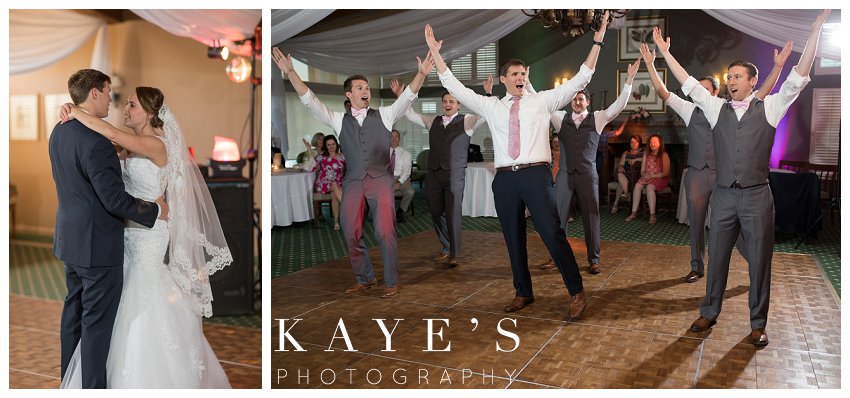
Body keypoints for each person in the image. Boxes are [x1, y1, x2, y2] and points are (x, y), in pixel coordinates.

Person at [656, 10, 829, 347]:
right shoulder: (713, 107)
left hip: (756, 198)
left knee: (759, 263)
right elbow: (687, 82)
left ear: (753, 81)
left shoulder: (770, 107)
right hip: (721, 197)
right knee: (717, 256)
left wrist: (815, 32)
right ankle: (709, 311)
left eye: (738, 76)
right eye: (729, 76)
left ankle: (757, 323)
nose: (732, 81)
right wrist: (664, 52)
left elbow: (800, 74)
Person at [424, 12, 610, 319]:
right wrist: (435, 52)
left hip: (536, 176)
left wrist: (599, 39)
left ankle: (576, 291)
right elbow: (456, 88)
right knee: (513, 238)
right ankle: (523, 291)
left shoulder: (543, 101)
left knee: (553, 234)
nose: (520, 77)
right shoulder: (492, 106)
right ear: (503, 80)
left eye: (523, 73)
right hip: (505, 181)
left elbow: (583, 76)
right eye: (514, 74)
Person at [58, 86, 233, 387]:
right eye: (125, 104)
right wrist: (74, 112)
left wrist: (75, 110)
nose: (125, 109)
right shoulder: (131, 147)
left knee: (142, 298)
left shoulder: (156, 144)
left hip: (150, 233)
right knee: (118, 299)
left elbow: (112, 135)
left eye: (132, 105)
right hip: (126, 234)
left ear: (150, 113)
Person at [273, 46, 432, 298]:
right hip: (353, 182)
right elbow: (310, 100)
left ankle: (391, 280)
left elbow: (409, 96)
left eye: (367, 88)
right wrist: (291, 72)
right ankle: (365, 277)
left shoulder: (386, 114)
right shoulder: (338, 120)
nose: (366, 90)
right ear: (349, 94)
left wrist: (421, 74)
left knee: (385, 231)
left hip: (380, 180)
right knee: (350, 229)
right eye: (360, 88)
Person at [49, 69, 167, 389]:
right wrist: (155, 211)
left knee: (73, 316)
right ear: (96, 93)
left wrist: (71, 110)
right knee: (97, 325)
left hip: (71, 241)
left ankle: (69, 383)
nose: (114, 102)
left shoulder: (60, 130)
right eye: (110, 93)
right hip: (98, 246)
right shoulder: (97, 141)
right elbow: (114, 200)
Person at [639, 41, 787, 282]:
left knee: (735, 228)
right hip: (697, 174)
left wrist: (777, 69)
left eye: (705, 88)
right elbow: (664, 93)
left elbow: (761, 94)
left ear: (715, 92)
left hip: (723, 176)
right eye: (698, 88)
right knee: (696, 224)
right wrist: (651, 65)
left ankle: (757, 267)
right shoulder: (690, 110)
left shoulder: (730, 109)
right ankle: (697, 266)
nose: (699, 91)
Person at [533, 58, 640, 274]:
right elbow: (539, 101)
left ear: (587, 102)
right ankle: (556, 258)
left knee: (591, 218)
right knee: (558, 218)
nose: (577, 102)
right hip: (564, 174)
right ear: (570, 102)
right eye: (574, 99)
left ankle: (594, 259)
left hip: (587, 174)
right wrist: (526, 83)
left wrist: (629, 80)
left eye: (581, 99)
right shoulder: (560, 118)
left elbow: (619, 106)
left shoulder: (598, 118)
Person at [389, 76, 490, 266]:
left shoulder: (467, 121)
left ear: (459, 105)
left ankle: (454, 252)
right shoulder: (432, 120)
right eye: (445, 101)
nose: (447, 104)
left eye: (452, 101)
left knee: (453, 213)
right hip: (434, 174)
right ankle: (446, 245)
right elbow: (410, 114)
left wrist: (487, 94)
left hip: (454, 175)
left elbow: (485, 114)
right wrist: (400, 96)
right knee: (435, 212)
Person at [625, 134, 671, 225]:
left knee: (649, 187)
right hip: (647, 177)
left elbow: (666, 173)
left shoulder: (664, 155)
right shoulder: (646, 154)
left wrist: (652, 176)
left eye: (654, 142)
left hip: (660, 177)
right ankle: (633, 213)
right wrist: (644, 175)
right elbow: (642, 170)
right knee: (637, 185)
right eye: (650, 142)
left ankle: (652, 215)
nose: (652, 144)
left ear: (660, 143)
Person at [303, 135, 345, 230]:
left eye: (333, 144)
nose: (331, 146)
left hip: (338, 183)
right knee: (334, 186)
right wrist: (309, 150)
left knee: (334, 194)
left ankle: (336, 222)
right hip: (323, 183)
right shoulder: (322, 156)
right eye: (328, 145)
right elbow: (311, 167)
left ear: (336, 144)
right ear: (325, 146)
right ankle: (348, 209)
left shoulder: (342, 156)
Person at [611, 134, 644, 213]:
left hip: (637, 175)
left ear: (639, 143)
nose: (633, 144)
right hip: (626, 173)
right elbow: (621, 164)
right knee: (620, 173)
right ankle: (626, 193)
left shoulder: (643, 152)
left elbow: (646, 160)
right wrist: (621, 167)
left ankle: (616, 204)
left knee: (620, 184)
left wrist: (636, 159)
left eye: (635, 142)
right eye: (631, 142)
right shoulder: (626, 153)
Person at [389, 129, 415, 223]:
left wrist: (399, 182)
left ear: (399, 139)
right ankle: (387, 213)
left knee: (410, 192)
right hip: (388, 178)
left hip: (402, 178)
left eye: (396, 136)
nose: (394, 138)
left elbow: (406, 171)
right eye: (391, 136)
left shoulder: (405, 153)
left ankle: (400, 211)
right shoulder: (383, 153)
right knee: (386, 192)